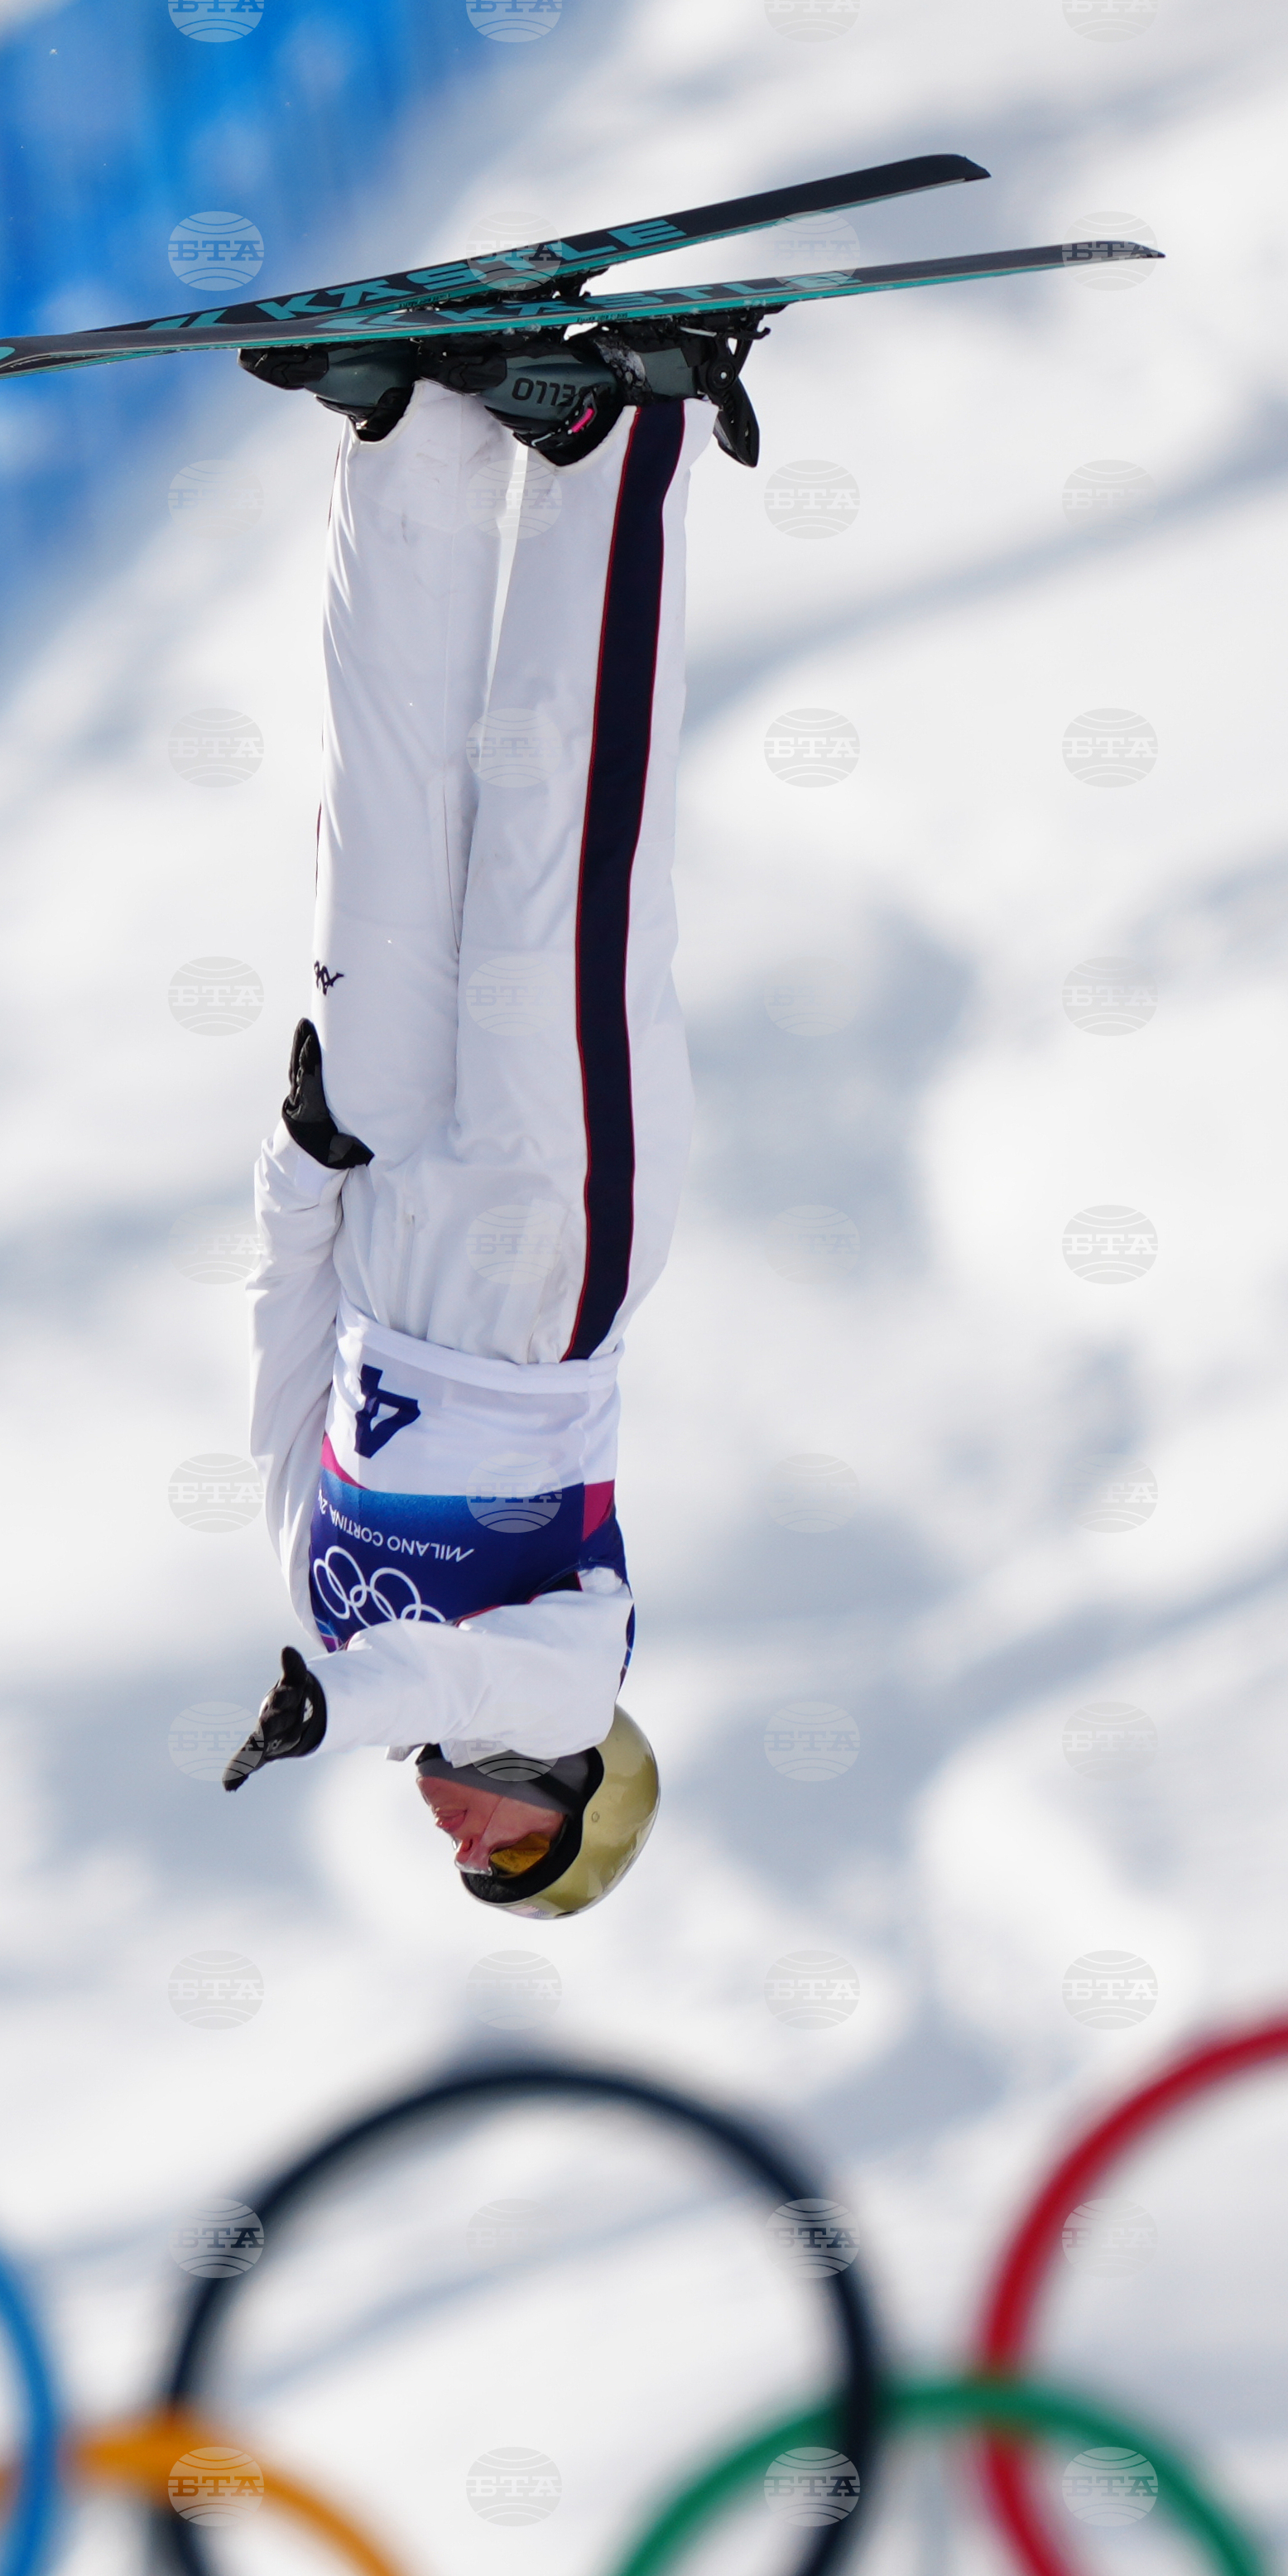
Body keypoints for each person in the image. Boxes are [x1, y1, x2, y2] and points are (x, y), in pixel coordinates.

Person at [220, 323, 748, 1917]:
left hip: (384, 1229)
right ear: (582, 1787)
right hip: (542, 1259)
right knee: (554, 852)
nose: (467, 1844)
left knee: (385, 818)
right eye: (518, 1852)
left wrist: (301, 1167)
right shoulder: (572, 1678)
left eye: (473, 1870)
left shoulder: (322, 1603)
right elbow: (459, 1683)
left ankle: (416, 441)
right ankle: (622, 434)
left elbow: (282, 1348)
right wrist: (333, 1715)